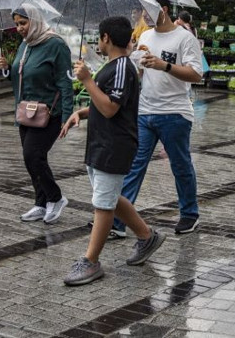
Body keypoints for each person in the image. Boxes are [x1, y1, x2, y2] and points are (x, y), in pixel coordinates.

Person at [60, 16, 165, 286]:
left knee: (103, 205)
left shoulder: (121, 67)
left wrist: (86, 81)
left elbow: (111, 107)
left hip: (113, 145)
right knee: (110, 197)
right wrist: (81, 113)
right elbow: (103, 104)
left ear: (106, 38)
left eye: (99, 36)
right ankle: (146, 236)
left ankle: (91, 261)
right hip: (101, 142)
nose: (97, 41)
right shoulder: (113, 66)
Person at [115, 0, 204, 237]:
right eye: (143, 11)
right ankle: (118, 220)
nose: (145, 15)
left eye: (149, 11)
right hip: (146, 111)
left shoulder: (185, 39)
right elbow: (140, 71)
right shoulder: (145, 37)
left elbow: (196, 74)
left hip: (175, 112)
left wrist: (164, 65)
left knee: (180, 164)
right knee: (134, 165)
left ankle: (189, 214)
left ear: (163, 10)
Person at [0, 4, 74, 224]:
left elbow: (65, 83)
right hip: (26, 112)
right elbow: (22, 75)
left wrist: (67, 116)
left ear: (35, 20)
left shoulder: (55, 45)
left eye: (23, 22)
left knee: (33, 155)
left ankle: (56, 198)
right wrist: (6, 69)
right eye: (17, 24)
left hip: (49, 113)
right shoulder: (26, 44)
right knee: (31, 159)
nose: (20, 28)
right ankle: (41, 203)